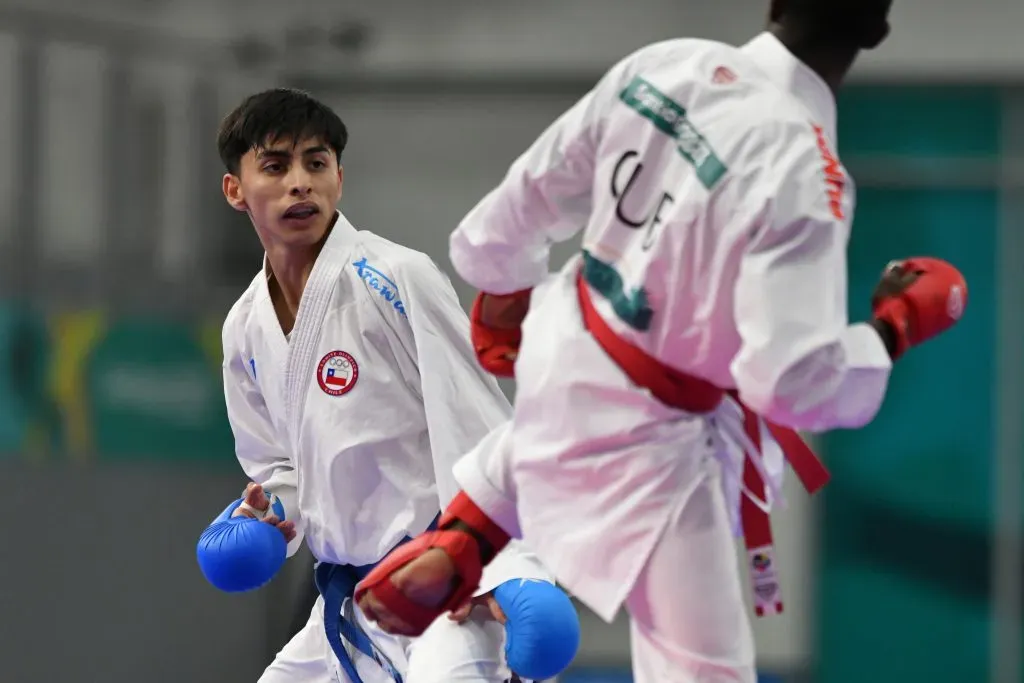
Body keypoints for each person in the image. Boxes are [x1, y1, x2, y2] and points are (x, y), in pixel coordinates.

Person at [354, 1, 969, 681]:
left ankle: (469, 526)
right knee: (704, 668)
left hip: (568, 342)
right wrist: (893, 326)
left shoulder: (668, 63)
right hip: (653, 438)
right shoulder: (806, 167)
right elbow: (788, 379)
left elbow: (520, 203)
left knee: (548, 431)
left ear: (775, 3)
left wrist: (504, 293)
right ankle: (474, 525)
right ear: (878, 31)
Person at [209, 87, 571, 683]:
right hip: (350, 599)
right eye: (275, 166)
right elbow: (280, 470)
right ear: (236, 190)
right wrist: (268, 513)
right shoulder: (245, 327)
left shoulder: (396, 279)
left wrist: (511, 570)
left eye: (316, 164)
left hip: (445, 591)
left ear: (339, 179)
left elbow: (482, 431)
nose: (300, 183)